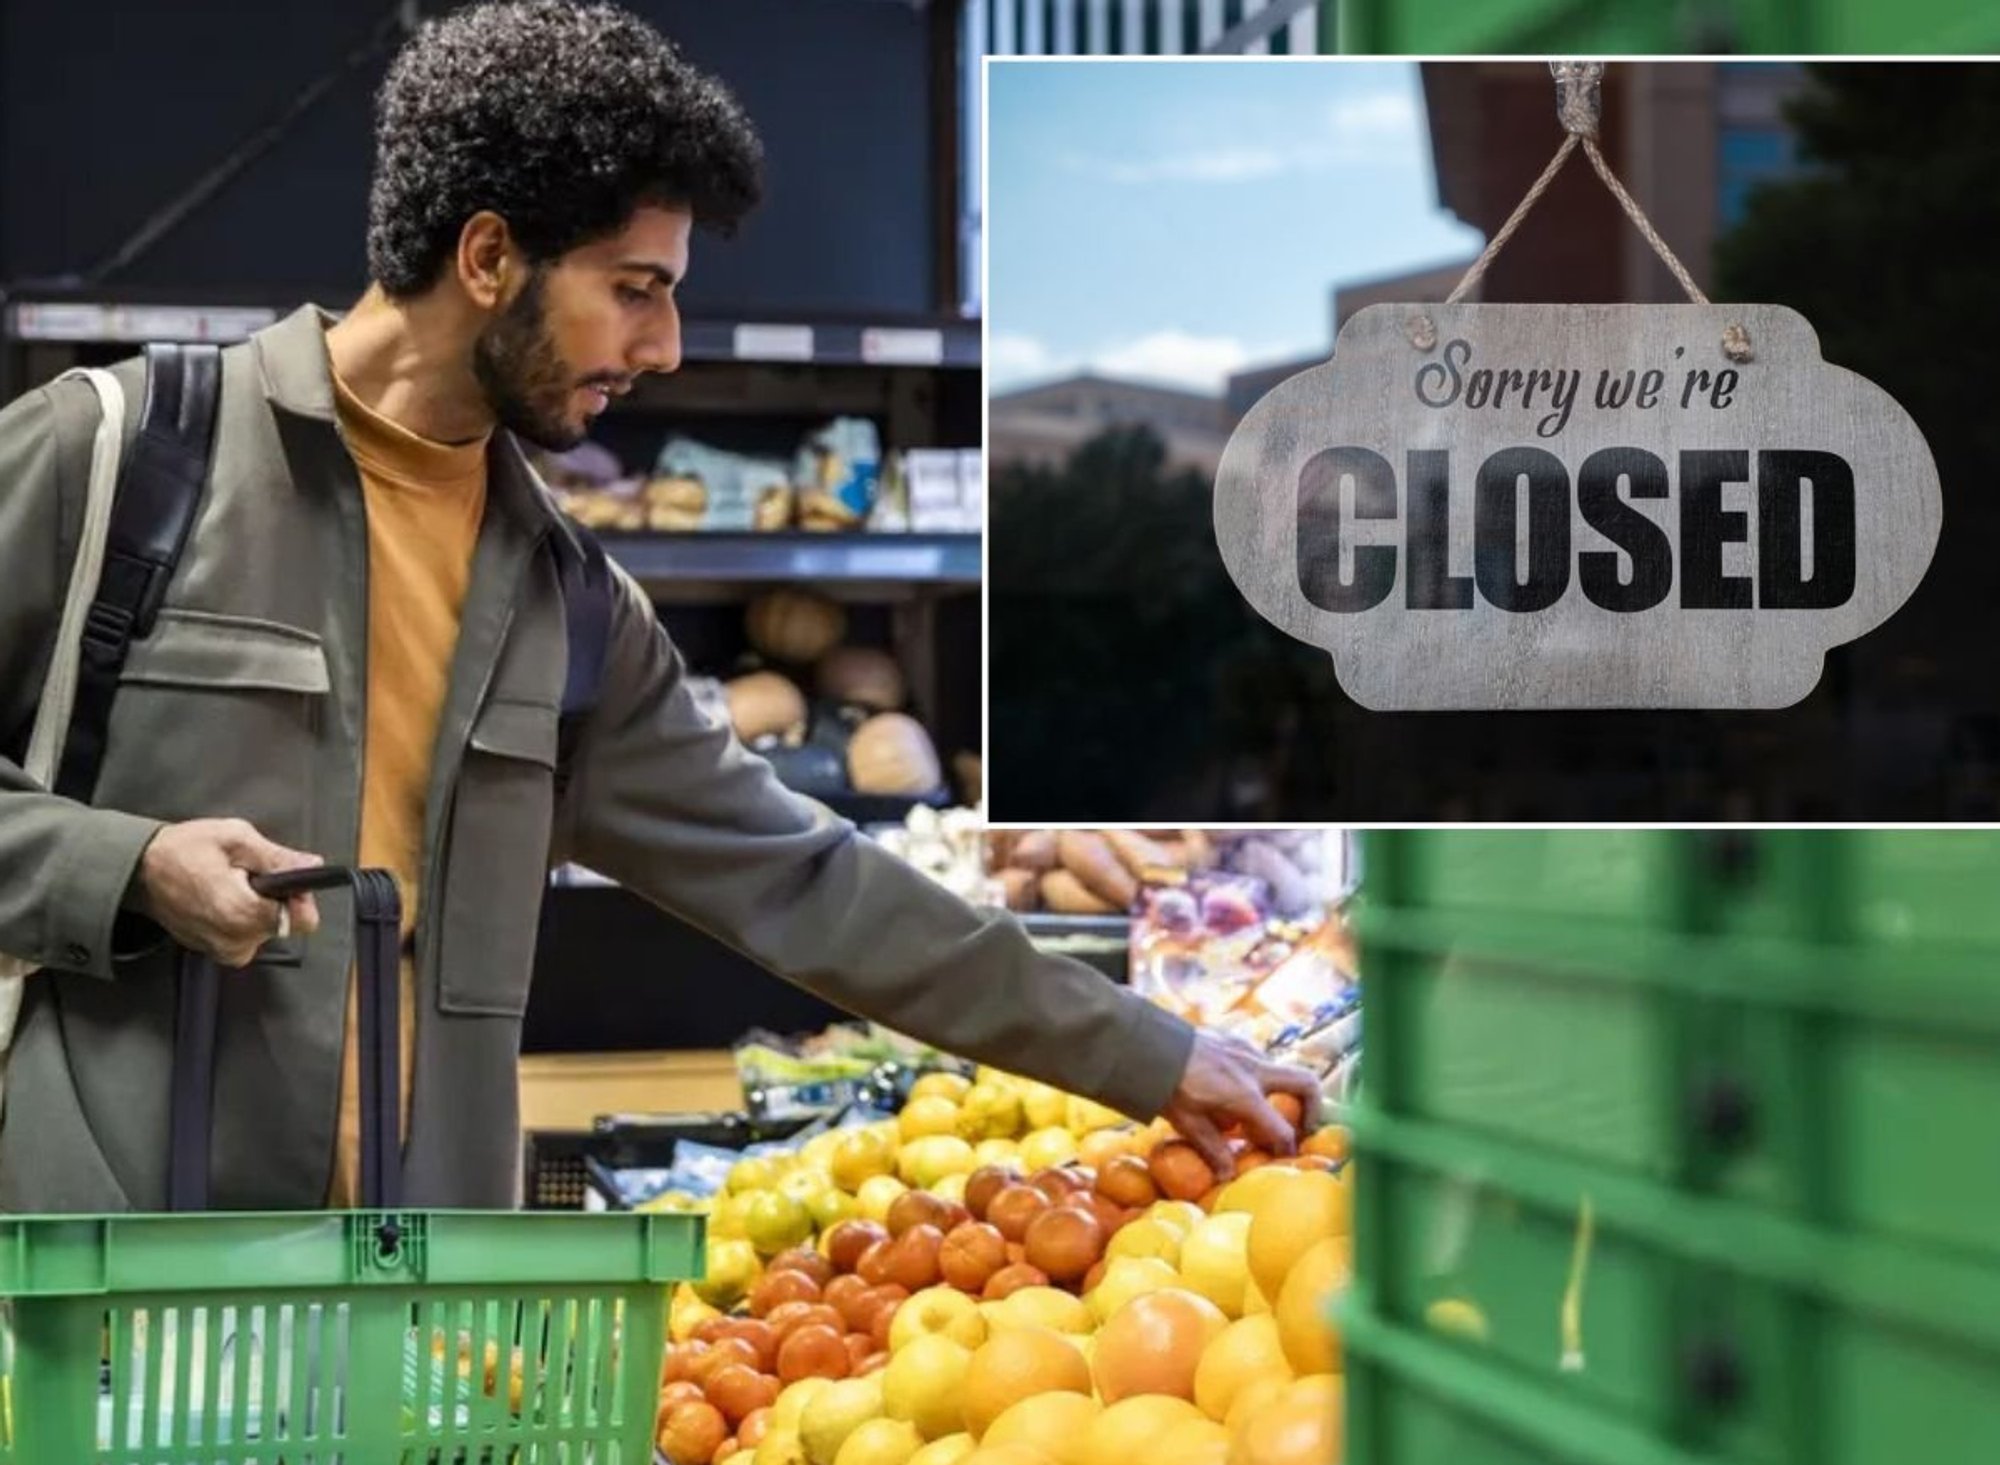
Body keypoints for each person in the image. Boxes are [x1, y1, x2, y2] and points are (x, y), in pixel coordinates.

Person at [0, 0, 1318, 1213]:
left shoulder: (567, 605)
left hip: (415, 1324)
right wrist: (124, 868)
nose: (665, 346)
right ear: (488, 256)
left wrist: (1149, 1050)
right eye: (635, 289)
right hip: (111, 1299)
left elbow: (813, 882)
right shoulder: (126, 459)